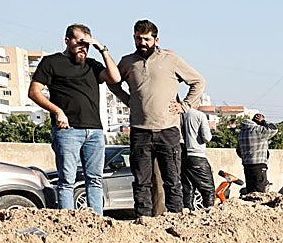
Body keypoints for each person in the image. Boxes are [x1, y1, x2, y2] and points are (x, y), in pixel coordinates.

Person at [109, 19, 205, 216]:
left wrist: (184, 106)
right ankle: (143, 220)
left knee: (172, 181)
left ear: (156, 39)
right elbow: (113, 82)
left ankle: (176, 219)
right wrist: (129, 100)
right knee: (141, 181)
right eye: (138, 38)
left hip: (167, 131)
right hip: (140, 131)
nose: (142, 43)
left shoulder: (170, 60)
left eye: (146, 39)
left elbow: (198, 81)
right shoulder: (128, 62)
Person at [28, 24, 121, 215]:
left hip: (94, 130)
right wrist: (57, 111)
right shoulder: (51, 62)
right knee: (67, 181)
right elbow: (34, 92)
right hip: (67, 131)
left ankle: (96, 223)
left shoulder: (93, 65)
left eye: (86, 44)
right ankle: (68, 223)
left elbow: (115, 77)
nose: (83, 47)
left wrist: (101, 49)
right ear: (67, 41)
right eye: (79, 42)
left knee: (95, 179)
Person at [180, 103, 214, 209]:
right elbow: (206, 137)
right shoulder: (199, 115)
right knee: (208, 189)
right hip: (197, 156)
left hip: (183, 156)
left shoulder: (180, 115)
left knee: (188, 189)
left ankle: (187, 214)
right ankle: (209, 214)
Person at [237, 112, 277, 194]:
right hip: (259, 165)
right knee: (260, 192)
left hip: (247, 165)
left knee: (251, 191)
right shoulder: (258, 130)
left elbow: (238, 150)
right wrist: (263, 122)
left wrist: (247, 157)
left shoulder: (241, 133)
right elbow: (273, 129)